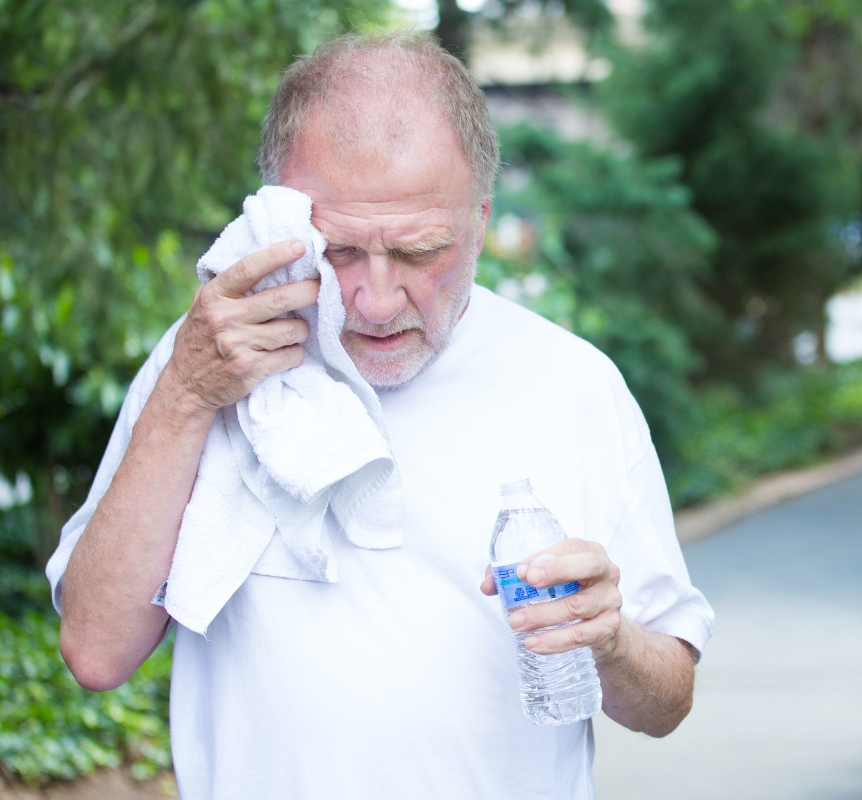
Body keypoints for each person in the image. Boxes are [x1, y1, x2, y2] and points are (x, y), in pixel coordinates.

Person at [46, 30, 713, 800]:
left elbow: (668, 700)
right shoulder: (209, 358)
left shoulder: (573, 385)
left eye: (420, 251)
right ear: (280, 220)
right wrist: (188, 396)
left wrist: (612, 642)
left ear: (480, 222)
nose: (375, 299)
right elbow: (95, 651)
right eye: (337, 251)